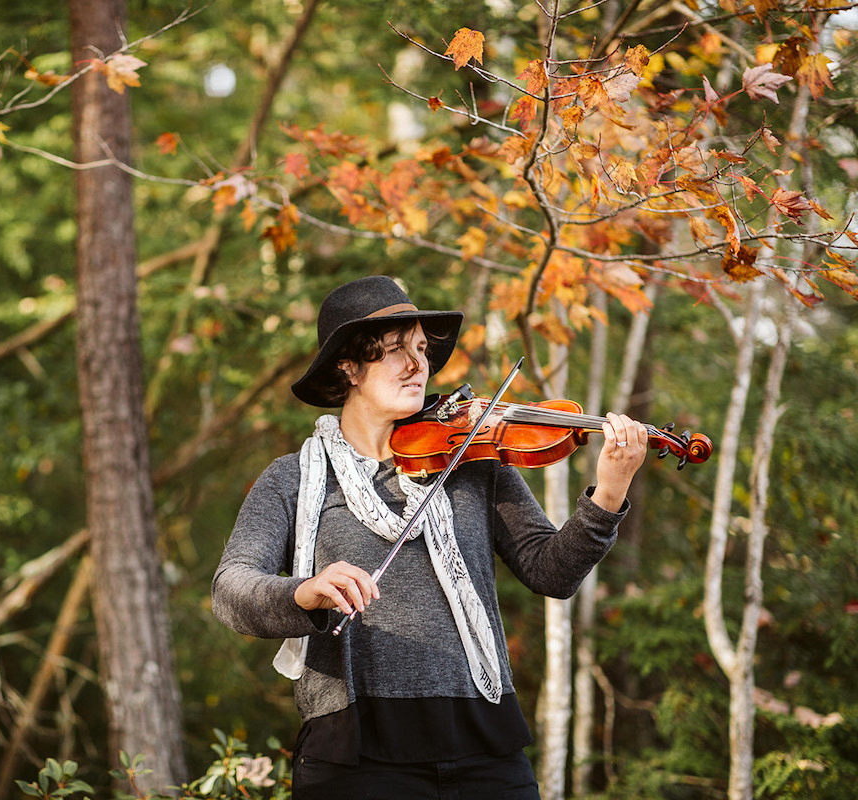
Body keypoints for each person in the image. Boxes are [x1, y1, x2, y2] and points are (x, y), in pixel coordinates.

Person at [211, 275, 648, 800]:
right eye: (395, 350)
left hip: (484, 744)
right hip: (355, 756)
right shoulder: (293, 479)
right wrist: (303, 591)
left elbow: (550, 571)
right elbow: (230, 589)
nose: (418, 364)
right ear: (347, 366)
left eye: (421, 348)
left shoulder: (470, 458)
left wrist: (610, 489)